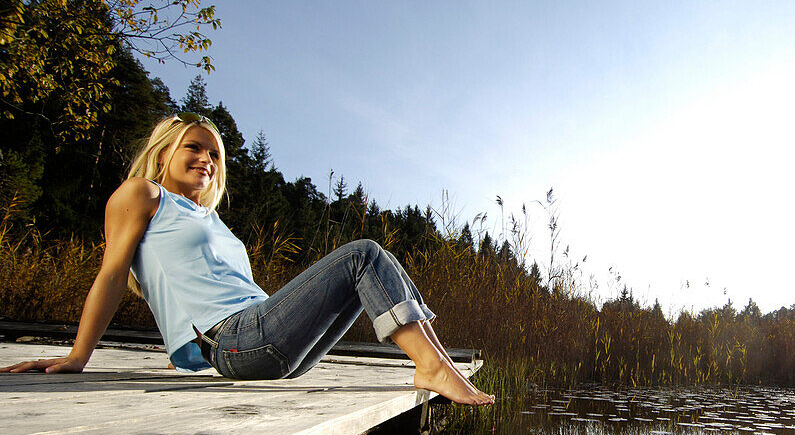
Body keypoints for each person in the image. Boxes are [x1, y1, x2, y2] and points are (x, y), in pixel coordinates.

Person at [0, 114, 494, 406]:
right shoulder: (142, 194)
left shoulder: (213, 222)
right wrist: (78, 356)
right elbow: (111, 274)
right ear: (164, 153)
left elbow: (212, 289)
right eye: (194, 148)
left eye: (214, 155)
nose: (206, 160)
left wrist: (186, 357)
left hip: (266, 345)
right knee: (362, 256)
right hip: (240, 341)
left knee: (373, 259)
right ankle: (434, 367)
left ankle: (438, 362)